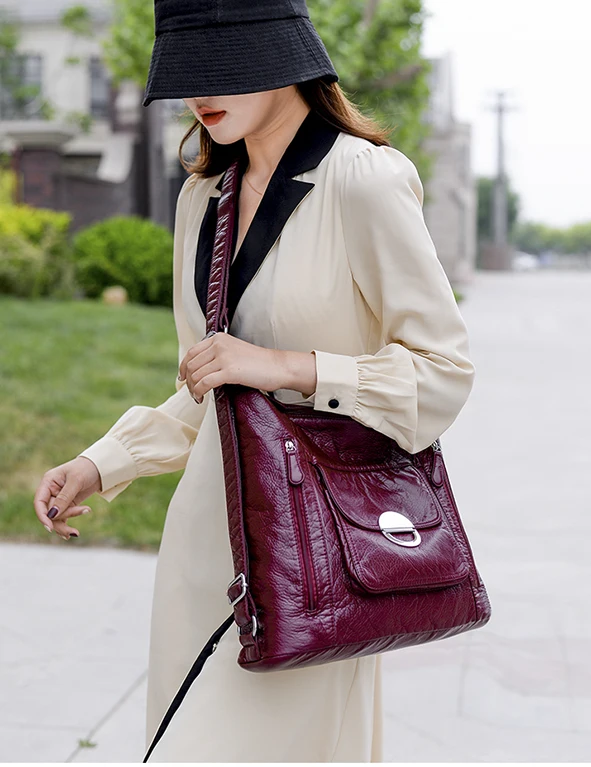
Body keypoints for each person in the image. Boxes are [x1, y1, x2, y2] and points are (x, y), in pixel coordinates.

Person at [33, 0, 476, 761]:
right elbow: (208, 387)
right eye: (184, 73)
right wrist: (103, 462)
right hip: (204, 548)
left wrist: (284, 366)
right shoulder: (202, 197)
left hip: (312, 558)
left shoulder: (362, 181)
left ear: (281, 56)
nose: (197, 93)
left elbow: (442, 373)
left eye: (220, 67)